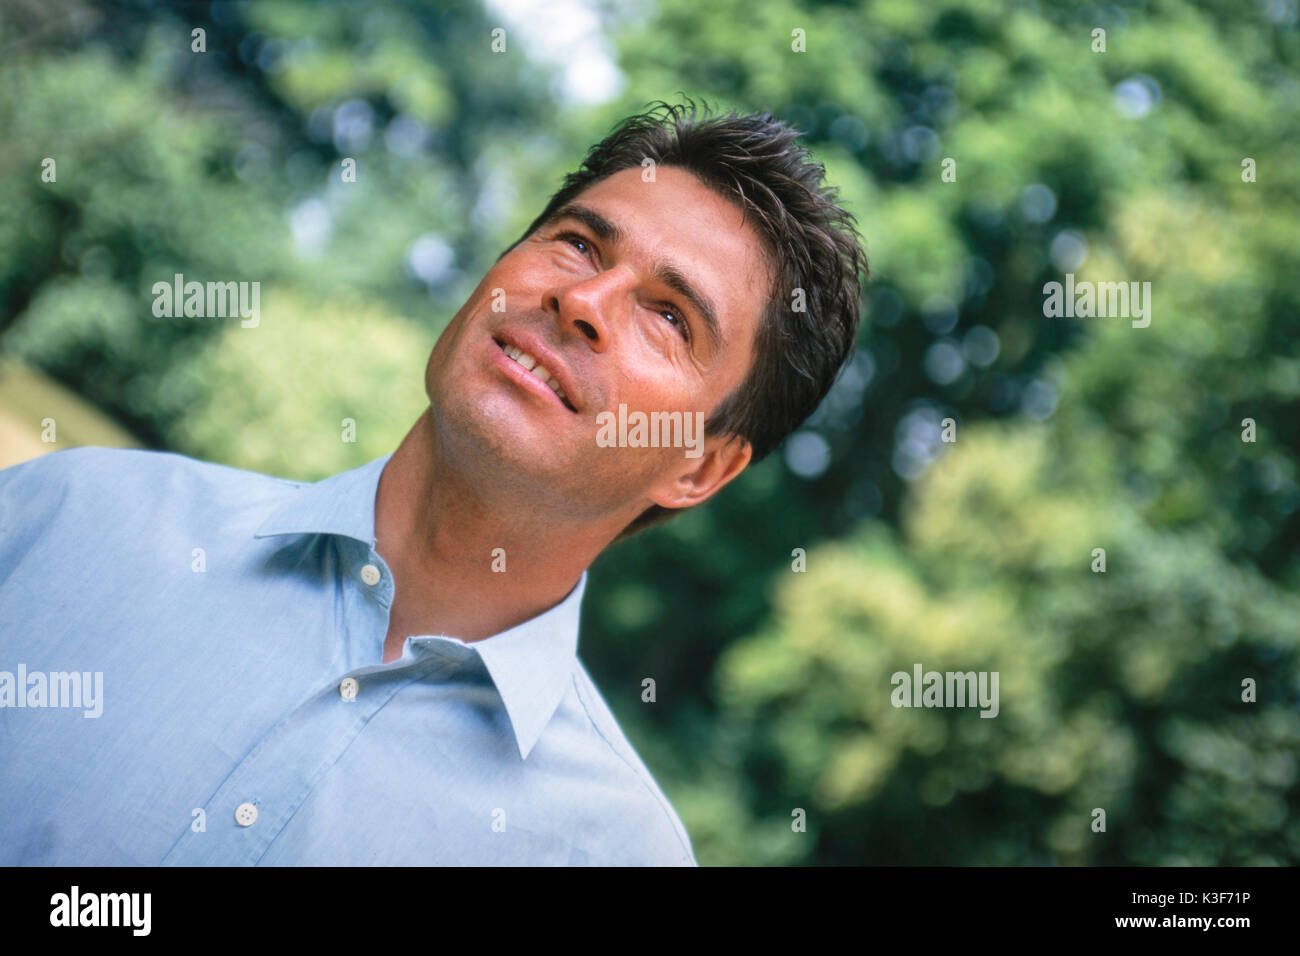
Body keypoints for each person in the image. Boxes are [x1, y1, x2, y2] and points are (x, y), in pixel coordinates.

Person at [0, 99, 867, 865]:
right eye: (578, 244)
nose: (584, 302)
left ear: (699, 465)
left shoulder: (616, 852)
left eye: (669, 318)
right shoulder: (66, 520)